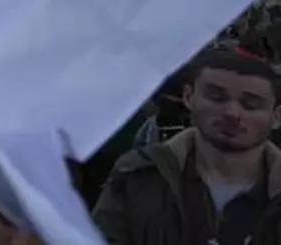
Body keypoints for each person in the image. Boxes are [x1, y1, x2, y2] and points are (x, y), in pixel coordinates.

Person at [92, 49, 281, 244]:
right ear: (189, 97)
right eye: (216, 97)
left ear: (277, 115)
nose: (232, 112)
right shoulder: (138, 175)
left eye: (250, 104)